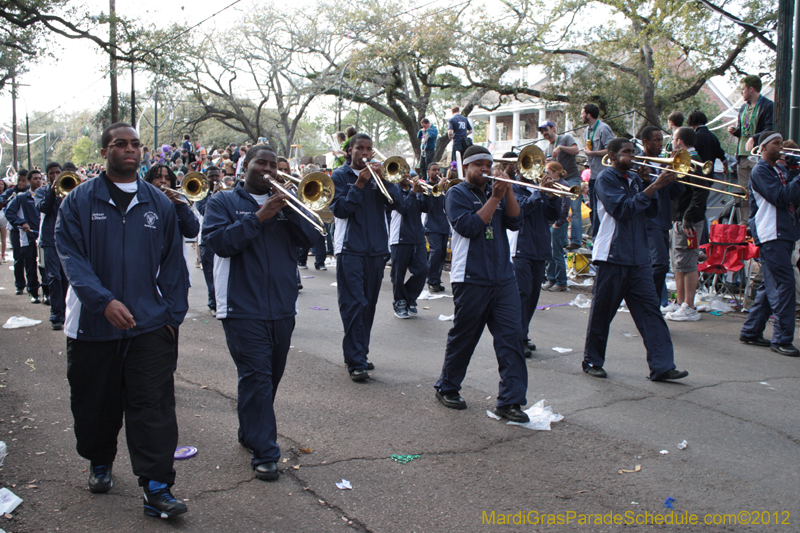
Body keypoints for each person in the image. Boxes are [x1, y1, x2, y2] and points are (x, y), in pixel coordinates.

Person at [55, 122, 189, 519]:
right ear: (104, 152)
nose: (129, 149)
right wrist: (103, 301)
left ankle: (157, 487)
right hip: (92, 327)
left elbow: (173, 265)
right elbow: (71, 259)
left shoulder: (159, 203)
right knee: (96, 407)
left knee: (154, 407)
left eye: (135, 144)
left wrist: (172, 316)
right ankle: (99, 460)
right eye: (119, 144)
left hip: (149, 326)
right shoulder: (78, 201)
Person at [203, 144, 315, 481]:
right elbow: (218, 244)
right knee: (257, 377)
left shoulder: (288, 204)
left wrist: (295, 209)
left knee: (269, 376)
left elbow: (312, 242)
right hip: (240, 305)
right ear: (245, 166)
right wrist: (257, 218)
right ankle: (266, 453)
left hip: (281, 305)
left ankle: (251, 431)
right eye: (260, 163)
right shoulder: (222, 202)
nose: (268, 170)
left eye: (273, 165)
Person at [434, 145, 530, 422]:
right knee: (465, 337)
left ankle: (510, 401)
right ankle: (447, 386)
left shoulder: (495, 192)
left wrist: (507, 190)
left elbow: (515, 222)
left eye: (489, 165)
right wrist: (495, 199)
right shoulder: (456, 193)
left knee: (512, 339)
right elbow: (469, 228)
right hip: (471, 278)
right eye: (479, 165)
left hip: (503, 278)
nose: (486, 170)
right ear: (467, 168)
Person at [582, 138, 688, 381]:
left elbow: (651, 212)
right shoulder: (605, 179)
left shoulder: (636, 179)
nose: (632, 156)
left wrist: (650, 183)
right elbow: (622, 210)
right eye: (627, 152)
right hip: (612, 255)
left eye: (633, 151)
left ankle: (662, 366)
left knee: (651, 312)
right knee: (602, 313)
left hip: (639, 257)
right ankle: (592, 361)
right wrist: (651, 188)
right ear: (611, 155)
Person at [330, 133, 403, 381]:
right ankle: (356, 360)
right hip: (350, 248)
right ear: (349, 151)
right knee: (354, 304)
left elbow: (398, 203)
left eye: (368, 149)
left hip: (377, 250)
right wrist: (359, 185)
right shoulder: (340, 176)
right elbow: (339, 210)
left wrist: (387, 182)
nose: (364, 153)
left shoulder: (379, 176)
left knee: (368, 306)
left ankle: (359, 353)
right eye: (359, 148)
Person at [739, 131, 800, 356]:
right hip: (771, 233)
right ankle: (782, 339)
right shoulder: (760, 170)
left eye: (782, 143)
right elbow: (781, 197)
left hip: (784, 233)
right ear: (763, 147)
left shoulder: (779, 169)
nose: (781, 147)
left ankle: (751, 331)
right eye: (776, 143)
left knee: (769, 285)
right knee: (784, 286)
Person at [508, 157, 561, 357]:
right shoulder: (514, 189)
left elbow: (553, 216)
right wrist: (539, 192)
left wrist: (554, 197)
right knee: (521, 295)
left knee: (532, 296)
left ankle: (523, 334)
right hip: (521, 247)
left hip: (540, 248)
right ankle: (517, 337)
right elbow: (521, 211)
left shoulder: (539, 190)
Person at [665, 127, 707, 322]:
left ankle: (688, 305)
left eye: (674, 139)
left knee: (687, 262)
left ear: (679, 140)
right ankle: (681, 302)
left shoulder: (695, 161)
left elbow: (699, 192)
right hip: (680, 217)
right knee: (678, 263)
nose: (672, 142)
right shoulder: (681, 159)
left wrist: (689, 216)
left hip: (688, 219)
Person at [636, 127, 676, 314]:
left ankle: (655, 304)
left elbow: (677, 194)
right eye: (656, 140)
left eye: (661, 139)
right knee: (660, 263)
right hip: (648, 220)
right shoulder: (638, 163)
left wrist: (675, 173)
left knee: (659, 264)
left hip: (663, 219)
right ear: (645, 142)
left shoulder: (664, 163)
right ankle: (648, 303)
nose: (661, 143)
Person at [144, 164, 200, 289]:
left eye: (167, 178)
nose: (163, 181)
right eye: (158, 177)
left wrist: (180, 206)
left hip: (174, 273)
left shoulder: (178, 204)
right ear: (149, 180)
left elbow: (192, 231)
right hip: (147, 270)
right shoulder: (142, 202)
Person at [728, 75, 774, 222]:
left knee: (758, 191)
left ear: (751, 89)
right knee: (744, 192)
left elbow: (769, 129)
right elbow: (744, 130)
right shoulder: (743, 107)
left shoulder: (767, 106)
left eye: (743, 89)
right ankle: (745, 224)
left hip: (757, 155)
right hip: (742, 156)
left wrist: (755, 138)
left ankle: (760, 221)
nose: (741, 93)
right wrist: (736, 131)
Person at [539, 121, 583, 250]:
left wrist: (562, 148)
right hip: (558, 182)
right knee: (560, 210)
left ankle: (576, 241)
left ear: (553, 128)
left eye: (545, 130)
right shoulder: (547, 148)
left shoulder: (565, 138)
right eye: (541, 131)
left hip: (572, 178)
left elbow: (576, 150)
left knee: (575, 210)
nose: (544, 133)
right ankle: (564, 241)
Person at [390, 171, 428, 318]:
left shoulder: (416, 191)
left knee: (423, 270)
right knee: (398, 274)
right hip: (399, 237)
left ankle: (409, 298)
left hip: (417, 237)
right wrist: (414, 191)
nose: (407, 177)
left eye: (409, 174)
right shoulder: (393, 191)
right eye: (403, 174)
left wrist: (427, 194)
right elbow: (403, 208)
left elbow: (426, 208)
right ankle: (399, 302)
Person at [35, 162, 68, 329]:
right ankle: (56, 314)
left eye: (57, 172)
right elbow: (43, 208)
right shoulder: (41, 191)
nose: (54, 176)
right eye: (51, 173)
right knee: (54, 276)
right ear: (46, 175)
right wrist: (52, 192)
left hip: (66, 240)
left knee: (66, 277)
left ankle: (65, 312)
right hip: (49, 240)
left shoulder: (69, 187)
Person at [6, 168, 42, 303]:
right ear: (28, 181)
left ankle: (47, 293)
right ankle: (33, 292)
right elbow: (9, 212)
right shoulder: (21, 198)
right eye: (35, 179)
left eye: (40, 178)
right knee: (30, 265)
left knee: (45, 266)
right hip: (28, 237)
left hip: (44, 237)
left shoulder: (46, 196)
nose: (38, 181)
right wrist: (21, 223)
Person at [581, 104, 614, 235]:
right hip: (593, 177)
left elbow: (611, 150)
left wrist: (592, 153)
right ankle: (596, 238)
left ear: (588, 115)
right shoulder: (586, 131)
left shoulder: (603, 129)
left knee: (603, 209)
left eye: (582, 113)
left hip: (604, 176)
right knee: (593, 209)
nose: (581, 116)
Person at [194, 165, 223, 315]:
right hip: (206, 239)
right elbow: (205, 211)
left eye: (216, 176)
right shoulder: (200, 193)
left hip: (223, 237)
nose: (214, 179)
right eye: (211, 176)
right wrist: (214, 196)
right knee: (210, 274)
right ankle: (213, 304)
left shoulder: (226, 192)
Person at [1, 169, 30, 295]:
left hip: (29, 229)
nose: (21, 182)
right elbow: (2, 200)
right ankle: (19, 285)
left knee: (30, 259)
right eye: (19, 179)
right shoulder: (11, 191)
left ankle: (32, 286)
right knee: (18, 258)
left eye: (24, 180)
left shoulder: (31, 191)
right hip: (15, 229)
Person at [423, 163, 449, 293]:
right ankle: (431, 280)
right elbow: (428, 204)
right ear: (428, 172)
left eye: (438, 170)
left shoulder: (444, 187)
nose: (437, 172)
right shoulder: (425, 186)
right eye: (434, 170)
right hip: (431, 225)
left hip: (444, 225)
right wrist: (439, 188)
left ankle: (437, 280)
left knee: (442, 254)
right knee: (436, 251)